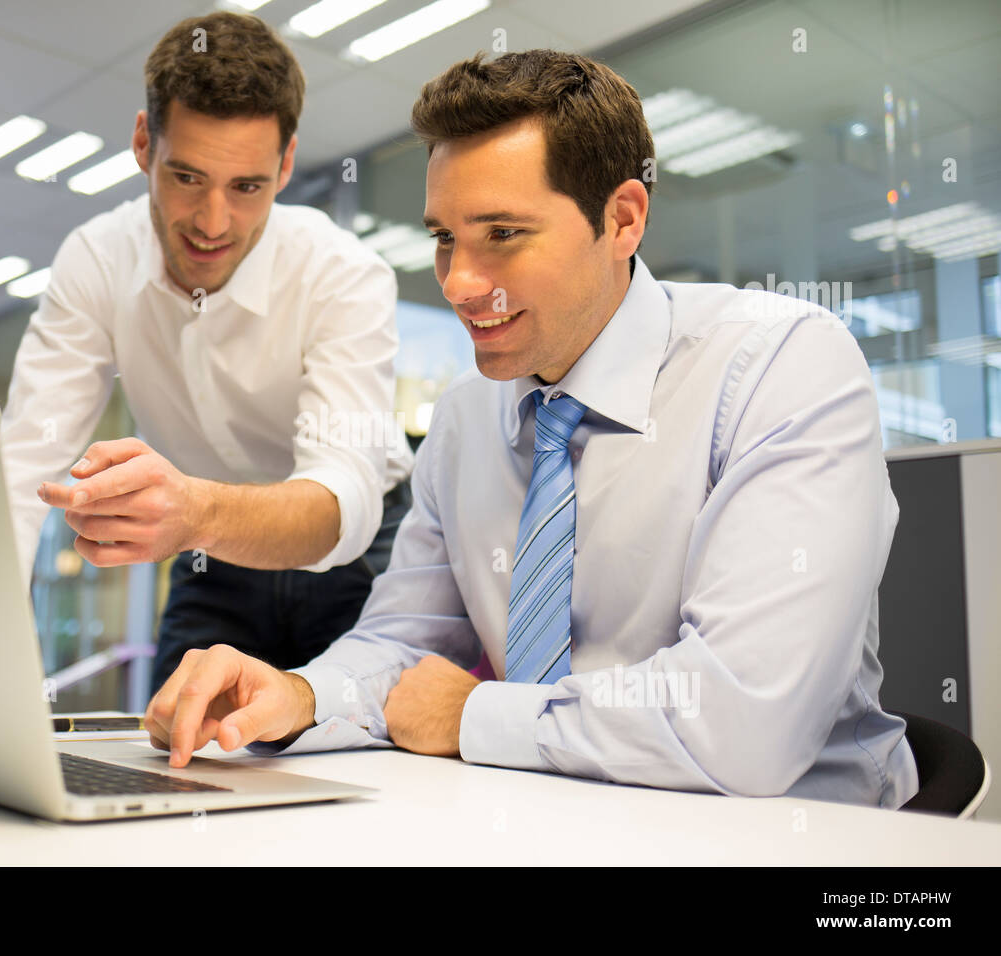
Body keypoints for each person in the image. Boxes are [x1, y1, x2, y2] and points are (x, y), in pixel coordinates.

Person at [142, 50, 919, 809]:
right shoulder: (466, 416)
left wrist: (475, 715)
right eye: (445, 237)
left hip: (797, 837)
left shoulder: (781, 367)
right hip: (542, 818)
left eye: (503, 235)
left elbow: (747, 721)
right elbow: (408, 642)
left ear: (621, 219)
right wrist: (299, 693)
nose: (458, 282)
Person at [0, 11, 412, 729]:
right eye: (187, 176)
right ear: (144, 143)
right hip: (214, 556)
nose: (212, 220)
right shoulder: (96, 259)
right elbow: (22, 472)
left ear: (287, 166)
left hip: (364, 554)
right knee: (180, 750)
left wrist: (198, 512)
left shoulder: (343, 274)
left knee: (356, 751)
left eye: (247, 187)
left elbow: (346, 502)